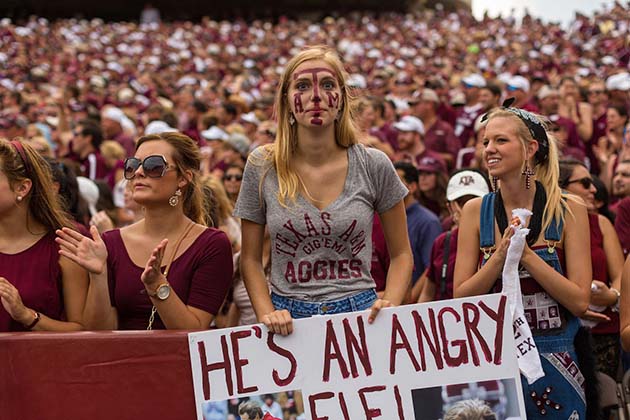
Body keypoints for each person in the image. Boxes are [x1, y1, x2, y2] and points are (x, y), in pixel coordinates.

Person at [235, 46, 413, 336]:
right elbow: (251, 259)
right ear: (287, 101)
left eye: (327, 85)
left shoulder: (373, 164)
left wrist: (390, 303)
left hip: (363, 316)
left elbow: (402, 253)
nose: (315, 95)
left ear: (342, 98)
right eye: (303, 86)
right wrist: (267, 312)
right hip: (287, 322)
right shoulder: (262, 165)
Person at [453, 100, 593, 418]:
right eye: (486, 141)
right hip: (495, 362)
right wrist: (501, 255)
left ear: (530, 148)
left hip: (558, 363)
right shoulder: (475, 211)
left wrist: (527, 256)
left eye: (501, 140)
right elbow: (460, 295)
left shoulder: (570, 209)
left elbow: (580, 301)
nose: (489, 149)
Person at [56, 132, 233, 330]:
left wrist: (157, 286)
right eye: (133, 165)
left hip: (178, 360)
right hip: (122, 359)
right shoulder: (110, 243)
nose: (139, 172)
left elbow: (194, 331)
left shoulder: (212, 244)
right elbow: (98, 333)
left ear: (183, 178)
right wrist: (98, 276)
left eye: (153, 166)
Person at [0, 139, 88, 331]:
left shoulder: (65, 244)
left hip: (40, 359)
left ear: (22, 188)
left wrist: (26, 315)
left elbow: (82, 331)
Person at [559, 159, 624, 379]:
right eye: (585, 183)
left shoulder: (601, 223)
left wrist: (612, 296)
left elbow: (620, 276)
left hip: (603, 331)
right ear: (561, 186)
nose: (594, 189)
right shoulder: (545, 226)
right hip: (563, 330)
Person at [419, 169, 490, 303]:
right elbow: (428, 294)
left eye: (474, 201)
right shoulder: (442, 242)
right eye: (462, 203)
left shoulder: (498, 239)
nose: (469, 208)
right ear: (450, 208)